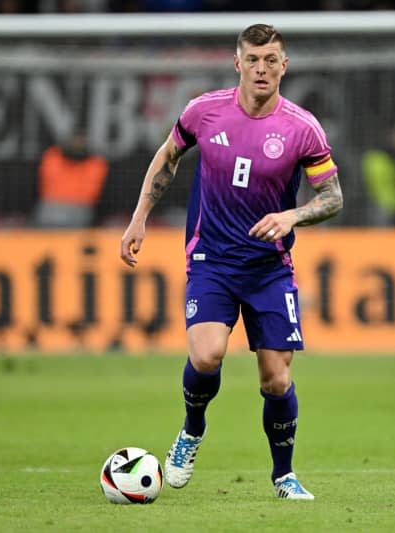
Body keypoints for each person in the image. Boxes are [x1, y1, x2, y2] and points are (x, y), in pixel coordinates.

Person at [119, 24, 343, 500]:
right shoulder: (204, 111)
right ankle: (191, 431)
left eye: (271, 60)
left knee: (277, 378)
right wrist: (140, 217)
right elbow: (168, 156)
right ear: (237, 63)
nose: (262, 68)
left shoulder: (302, 128)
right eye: (253, 59)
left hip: (268, 268)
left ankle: (284, 476)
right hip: (212, 260)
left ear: (285, 66)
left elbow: (333, 196)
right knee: (206, 355)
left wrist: (292, 216)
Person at [34, 130, 109, 228]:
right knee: (47, 212)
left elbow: (88, 194)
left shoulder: (96, 164)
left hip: (80, 210)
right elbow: (51, 189)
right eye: (74, 142)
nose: (76, 145)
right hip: (51, 208)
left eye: (80, 143)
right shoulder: (53, 157)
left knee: (80, 215)